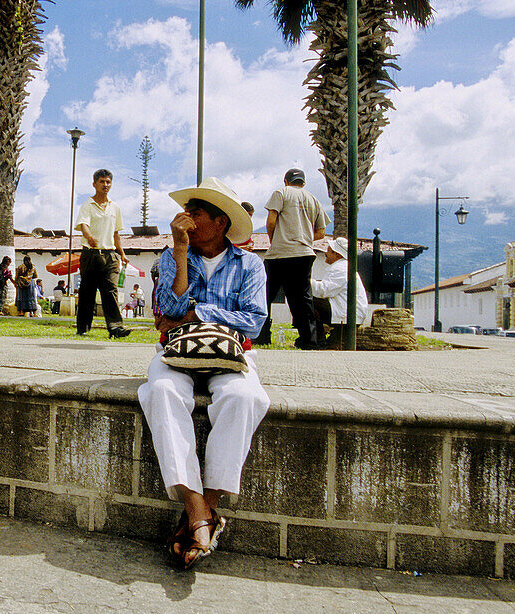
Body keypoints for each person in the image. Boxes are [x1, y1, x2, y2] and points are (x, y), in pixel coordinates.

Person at [138, 177, 269, 569]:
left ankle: (201, 511)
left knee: (245, 397)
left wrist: (200, 312)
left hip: (231, 353)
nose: (186, 219)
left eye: (195, 214)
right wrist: (180, 253)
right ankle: (200, 511)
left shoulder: (250, 265)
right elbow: (170, 310)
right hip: (178, 351)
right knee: (161, 390)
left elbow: (254, 322)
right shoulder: (171, 255)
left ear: (220, 223)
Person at [257, 167, 329, 349]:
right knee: (303, 297)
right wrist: (303, 236)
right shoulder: (314, 200)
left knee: (265, 294)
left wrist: (275, 239)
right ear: (303, 183)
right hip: (304, 254)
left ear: (286, 181)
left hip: (279, 253)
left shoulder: (280, 193)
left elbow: (271, 220)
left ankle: (262, 335)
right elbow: (321, 232)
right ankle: (309, 340)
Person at [75, 168, 131, 338]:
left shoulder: (115, 207)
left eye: (108, 182)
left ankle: (115, 328)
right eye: (102, 181)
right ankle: (83, 328)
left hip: (110, 256)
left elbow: (115, 234)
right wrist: (89, 236)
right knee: (87, 292)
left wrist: (122, 253)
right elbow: (83, 224)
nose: (105, 185)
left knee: (110, 291)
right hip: (90, 255)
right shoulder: (88, 204)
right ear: (94, 184)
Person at [309, 237, 369, 344]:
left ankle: (317, 339)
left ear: (336, 253)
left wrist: (305, 281)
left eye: (328, 250)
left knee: (308, 302)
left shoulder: (340, 268)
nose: (325, 253)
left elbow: (323, 291)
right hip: (347, 311)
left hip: (346, 314)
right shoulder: (343, 267)